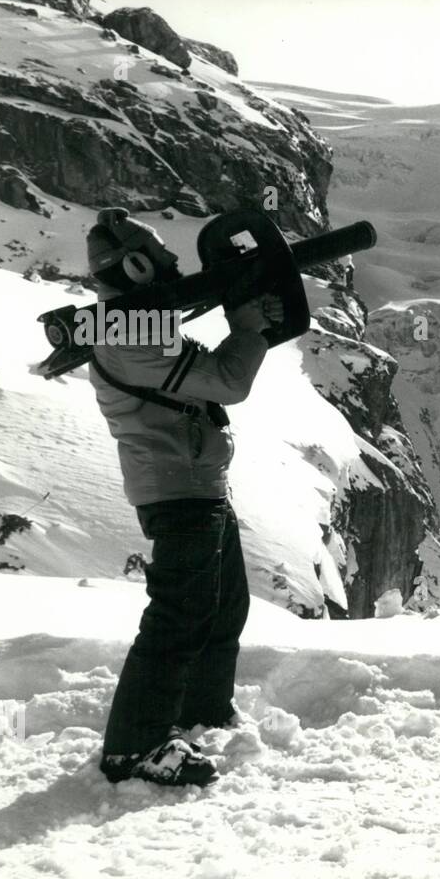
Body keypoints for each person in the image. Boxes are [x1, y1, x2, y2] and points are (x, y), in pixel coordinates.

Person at [85, 208, 282, 787]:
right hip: (176, 489)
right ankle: (135, 745)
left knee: (222, 609)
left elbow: (206, 371)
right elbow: (227, 382)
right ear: (138, 267)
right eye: (162, 262)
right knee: (178, 617)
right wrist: (248, 330)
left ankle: (201, 712)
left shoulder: (142, 326)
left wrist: (246, 324)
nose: (174, 269)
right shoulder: (126, 335)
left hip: (198, 481)